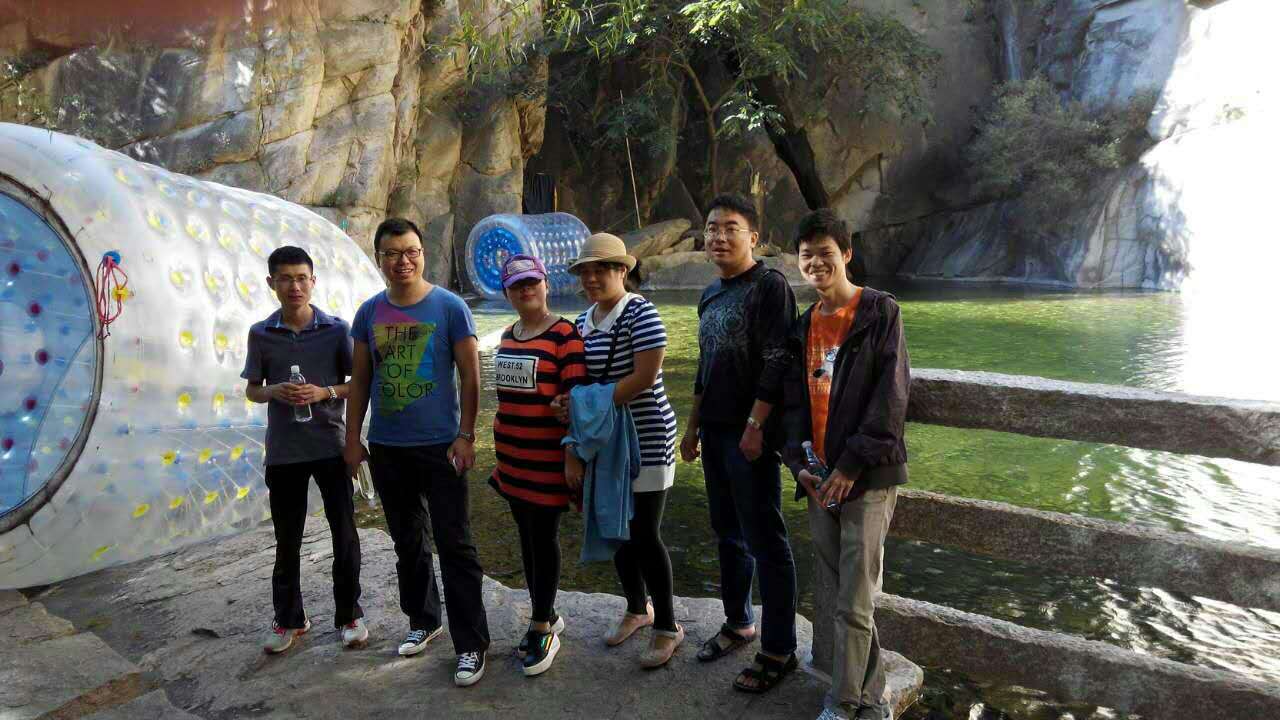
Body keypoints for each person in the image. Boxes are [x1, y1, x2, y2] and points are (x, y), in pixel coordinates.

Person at [344, 218, 490, 687]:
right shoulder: (369, 312)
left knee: (455, 543)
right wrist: (353, 439)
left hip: (441, 446)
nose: (402, 261)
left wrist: (467, 435)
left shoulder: (449, 307)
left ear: (423, 254)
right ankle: (424, 620)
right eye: (392, 253)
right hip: (389, 447)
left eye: (411, 251)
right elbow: (361, 381)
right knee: (408, 541)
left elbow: (470, 375)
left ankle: (471, 644)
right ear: (379, 259)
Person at [782, 209, 909, 720]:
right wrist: (798, 465)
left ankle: (841, 703)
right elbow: (793, 406)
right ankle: (871, 697)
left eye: (825, 253)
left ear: (847, 253)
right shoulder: (802, 326)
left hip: (865, 479)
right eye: (807, 255)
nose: (816, 263)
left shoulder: (880, 312)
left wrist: (851, 466)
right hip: (818, 478)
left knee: (855, 600)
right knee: (842, 594)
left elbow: (890, 400)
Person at [679, 194, 799, 692]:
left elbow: (779, 360)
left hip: (751, 434)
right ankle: (738, 622)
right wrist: (692, 427)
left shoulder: (770, 286)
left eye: (730, 227)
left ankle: (780, 648)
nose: (719, 237)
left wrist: (755, 426)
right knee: (727, 532)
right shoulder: (710, 293)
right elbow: (705, 367)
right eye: (712, 228)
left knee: (766, 538)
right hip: (715, 430)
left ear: (754, 236)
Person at [557, 232, 685, 668]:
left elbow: (644, 378)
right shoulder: (581, 322)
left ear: (621, 271)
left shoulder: (641, 313)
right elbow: (578, 379)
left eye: (601, 270)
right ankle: (636, 607)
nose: (591, 278)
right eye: (585, 271)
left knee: (646, 532)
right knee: (616, 525)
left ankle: (667, 625)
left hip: (647, 436)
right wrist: (570, 405)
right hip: (606, 439)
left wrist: (584, 403)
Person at [242, 245, 365, 654]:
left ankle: (349, 615)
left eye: (301, 278)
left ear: (313, 281)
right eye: (285, 279)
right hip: (284, 451)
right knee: (287, 538)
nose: (294, 286)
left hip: (330, 445)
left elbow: (358, 383)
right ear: (271, 283)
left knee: (344, 533)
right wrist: (274, 390)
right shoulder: (261, 333)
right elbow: (252, 390)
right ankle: (289, 619)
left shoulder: (336, 330)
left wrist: (324, 391)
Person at [489, 254, 587, 677]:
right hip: (513, 459)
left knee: (543, 538)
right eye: (516, 285)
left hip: (547, 460)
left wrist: (572, 456)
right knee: (527, 538)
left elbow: (578, 399)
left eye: (532, 281)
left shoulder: (566, 334)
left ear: (546, 284)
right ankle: (545, 611)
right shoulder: (508, 335)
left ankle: (543, 626)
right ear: (507, 293)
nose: (526, 289)